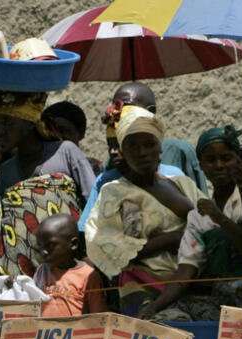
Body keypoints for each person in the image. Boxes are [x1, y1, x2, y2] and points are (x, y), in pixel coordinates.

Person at [85, 106, 201, 317]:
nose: (142, 153)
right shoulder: (114, 193)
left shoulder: (182, 184)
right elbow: (107, 245)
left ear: (160, 149)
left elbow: (209, 226)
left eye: (149, 145)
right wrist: (174, 238)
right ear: (122, 150)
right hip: (142, 288)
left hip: (193, 282)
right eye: (133, 146)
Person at [140, 125, 242, 321]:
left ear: (239, 160)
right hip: (222, 300)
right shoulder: (199, 216)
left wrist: (221, 215)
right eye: (210, 160)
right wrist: (154, 307)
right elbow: (186, 270)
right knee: (169, 316)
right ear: (201, 166)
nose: (219, 166)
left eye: (226, 158)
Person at [80, 82, 205, 231]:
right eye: (132, 146)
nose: (117, 114)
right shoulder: (109, 183)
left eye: (126, 109)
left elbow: (202, 218)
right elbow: (93, 233)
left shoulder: (177, 173)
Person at [0, 91, 97, 203]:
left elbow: (94, 203)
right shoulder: (5, 173)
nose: (0, 130)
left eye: (8, 123)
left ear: (30, 123)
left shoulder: (65, 153)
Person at [33, 214, 106, 317]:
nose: (44, 252)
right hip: (45, 332)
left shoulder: (88, 276)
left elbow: (99, 317)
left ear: (73, 244)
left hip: (74, 332)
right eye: (40, 245)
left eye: (50, 245)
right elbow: (31, 300)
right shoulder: (42, 271)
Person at [43, 100, 103, 175]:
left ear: (80, 133)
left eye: (62, 130)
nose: (57, 136)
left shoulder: (95, 171)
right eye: (50, 130)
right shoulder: (36, 169)